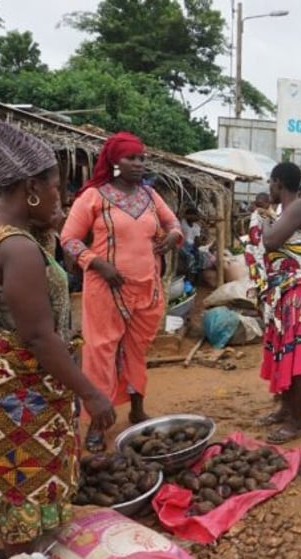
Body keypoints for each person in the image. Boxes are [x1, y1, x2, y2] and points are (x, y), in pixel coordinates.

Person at [0, 122, 116, 559]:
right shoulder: (17, 248)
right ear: (32, 187)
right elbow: (40, 337)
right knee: (21, 509)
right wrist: (92, 393)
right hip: (18, 393)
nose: (62, 196)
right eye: (57, 187)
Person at [60, 132, 181, 452]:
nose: (139, 164)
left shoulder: (151, 196)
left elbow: (174, 225)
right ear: (115, 161)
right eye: (131, 158)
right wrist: (97, 263)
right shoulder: (94, 197)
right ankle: (98, 426)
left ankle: (137, 408)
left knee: (137, 350)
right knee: (100, 353)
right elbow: (69, 239)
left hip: (147, 288)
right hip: (106, 288)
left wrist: (173, 237)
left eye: (142, 158)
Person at [254, 163, 301, 443]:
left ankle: (296, 422)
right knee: (284, 349)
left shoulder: (297, 207)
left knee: (298, 356)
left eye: (270, 184)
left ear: (278, 183)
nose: (269, 189)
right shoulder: (284, 212)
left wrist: (259, 223)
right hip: (287, 290)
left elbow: (272, 241)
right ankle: (285, 409)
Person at [180, 206, 203, 284]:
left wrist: (199, 244)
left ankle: (196, 279)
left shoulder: (196, 226)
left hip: (191, 246)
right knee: (190, 258)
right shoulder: (182, 223)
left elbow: (197, 241)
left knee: (201, 257)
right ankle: (187, 280)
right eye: (195, 215)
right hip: (182, 246)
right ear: (189, 215)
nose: (196, 217)